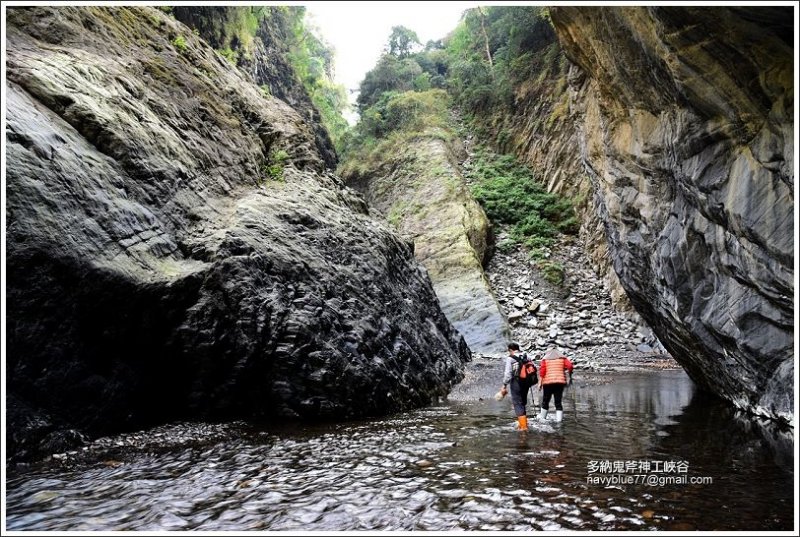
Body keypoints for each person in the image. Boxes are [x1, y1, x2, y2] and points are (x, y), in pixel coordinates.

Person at [499, 342, 536, 430]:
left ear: (511, 350)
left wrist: (504, 385)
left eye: (509, 351)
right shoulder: (527, 356)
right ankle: (523, 422)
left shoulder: (510, 358)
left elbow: (508, 373)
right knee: (523, 402)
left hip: (516, 382)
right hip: (526, 382)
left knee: (517, 403)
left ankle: (523, 427)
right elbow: (533, 367)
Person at [537, 347, 574, 422]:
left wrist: (540, 383)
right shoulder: (562, 358)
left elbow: (542, 372)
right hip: (559, 382)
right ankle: (559, 421)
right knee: (558, 401)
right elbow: (570, 366)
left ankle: (542, 419)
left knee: (545, 400)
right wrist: (569, 374)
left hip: (548, 382)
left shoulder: (545, 360)